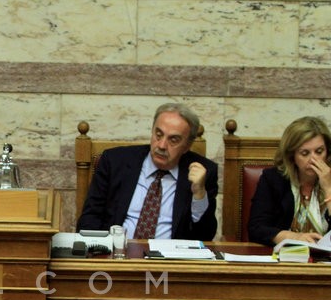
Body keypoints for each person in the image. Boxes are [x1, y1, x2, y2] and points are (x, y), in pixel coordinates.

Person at [76, 103, 218, 241]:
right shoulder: (114, 162)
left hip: (169, 256)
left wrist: (199, 193)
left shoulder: (204, 173)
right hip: (117, 252)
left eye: (173, 140)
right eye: (158, 134)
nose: (162, 145)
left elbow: (205, 237)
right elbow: (89, 219)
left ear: (187, 146)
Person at [247, 116, 331, 246]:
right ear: (292, 155)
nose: (313, 160)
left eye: (319, 152)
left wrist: (328, 188)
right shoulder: (273, 179)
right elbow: (256, 228)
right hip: (285, 256)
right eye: (305, 153)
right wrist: (293, 237)